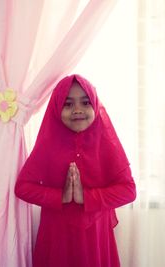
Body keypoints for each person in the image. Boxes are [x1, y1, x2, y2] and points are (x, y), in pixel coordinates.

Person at [15, 74, 136, 267]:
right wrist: (60, 196)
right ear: (56, 108)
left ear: (95, 105)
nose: (77, 110)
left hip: (95, 237)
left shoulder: (107, 143)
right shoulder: (48, 145)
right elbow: (22, 188)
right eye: (68, 104)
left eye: (85, 102)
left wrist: (86, 197)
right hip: (56, 237)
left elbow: (128, 191)